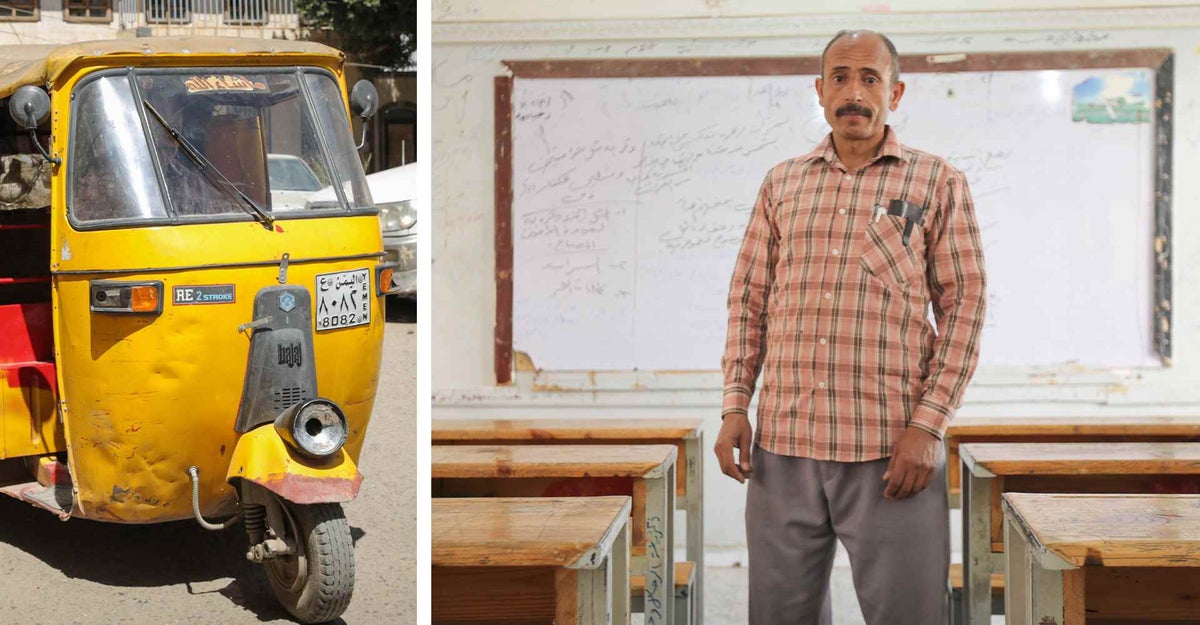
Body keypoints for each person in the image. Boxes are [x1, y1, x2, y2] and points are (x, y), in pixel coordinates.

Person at [713, 30, 987, 625]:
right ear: (819, 89)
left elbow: (964, 305)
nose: (853, 92)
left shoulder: (935, 182)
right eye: (839, 77)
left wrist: (929, 425)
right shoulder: (781, 183)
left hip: (891, 451)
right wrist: (736, 404)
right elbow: (748, 298)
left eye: (870, 78)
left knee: (908, 616)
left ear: (896, 91)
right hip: (783, 445)